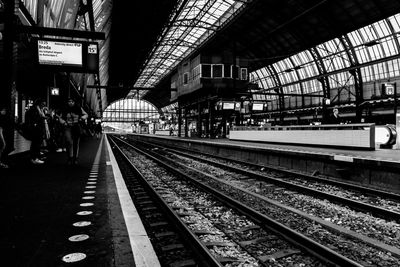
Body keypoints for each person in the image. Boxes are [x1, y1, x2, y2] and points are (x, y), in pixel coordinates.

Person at [59, 98, 88, 165]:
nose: (70, 103)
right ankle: (70, 157)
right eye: (69, 101)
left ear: (74, 102)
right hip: (68, 127)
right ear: (67, 102)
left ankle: (75, 158)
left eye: (72, 101)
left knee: (76, 143)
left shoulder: (78, 108)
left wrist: (81, 118)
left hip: (76, 126)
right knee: (69, 141)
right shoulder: (64, 109)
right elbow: (60, 118)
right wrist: (64, 122)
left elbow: (86, 114)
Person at [26, 99, 47, 164]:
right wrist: (42, 118)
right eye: (43, 103)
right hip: (36, 129)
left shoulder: (40, 109)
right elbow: (35, 118)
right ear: (39, 103)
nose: (44, 105)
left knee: (37, 143)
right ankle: (34, 158)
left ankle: (36, 157)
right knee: (35, 143)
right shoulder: (35, 109)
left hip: (39, 128)